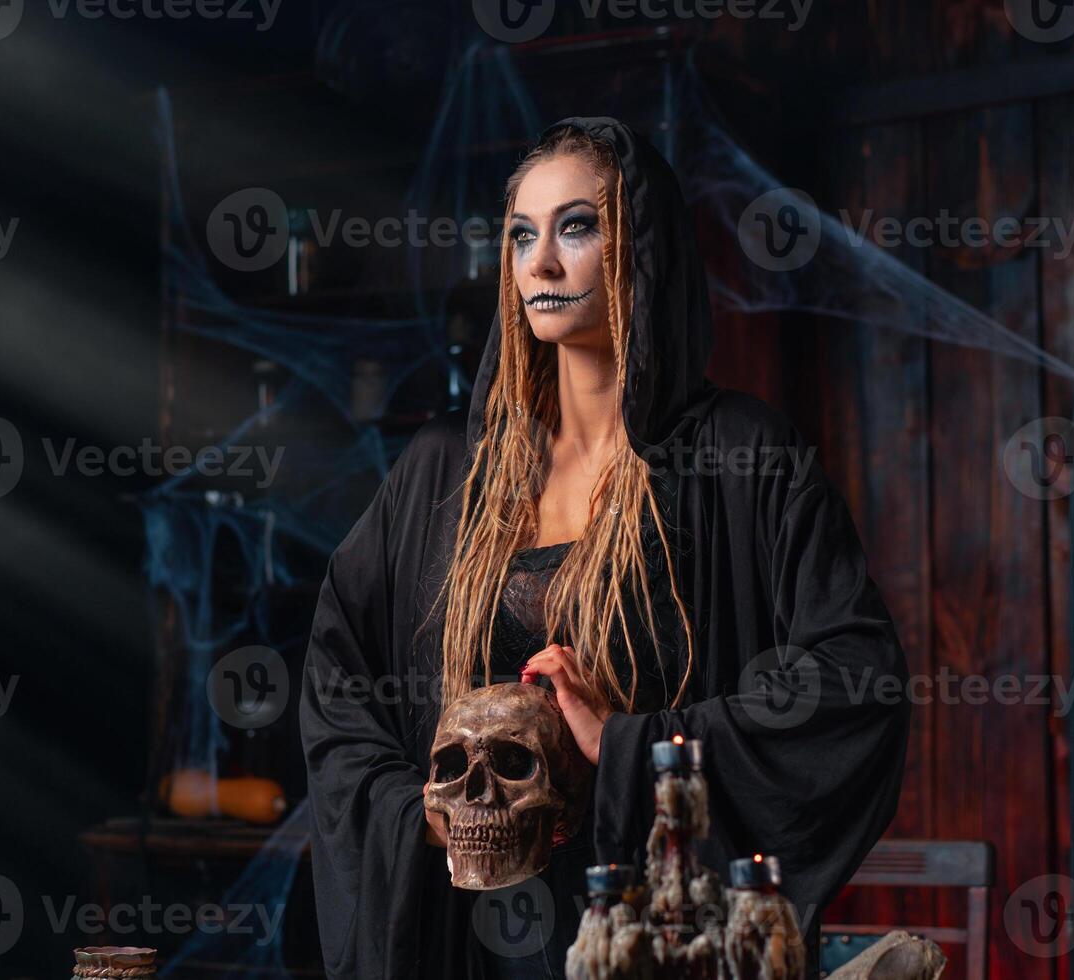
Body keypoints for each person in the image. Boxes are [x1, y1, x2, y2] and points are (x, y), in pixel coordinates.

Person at [299, 116, 909, 979]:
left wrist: (634, 742)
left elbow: (856, 675)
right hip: (466, 943)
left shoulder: (740, 457)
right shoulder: (446, 472)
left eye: (576, 227)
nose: (541, 264)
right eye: (522, 235)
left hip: (647, 942)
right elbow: (337, 679)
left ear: (643, 251)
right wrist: (421, 807)